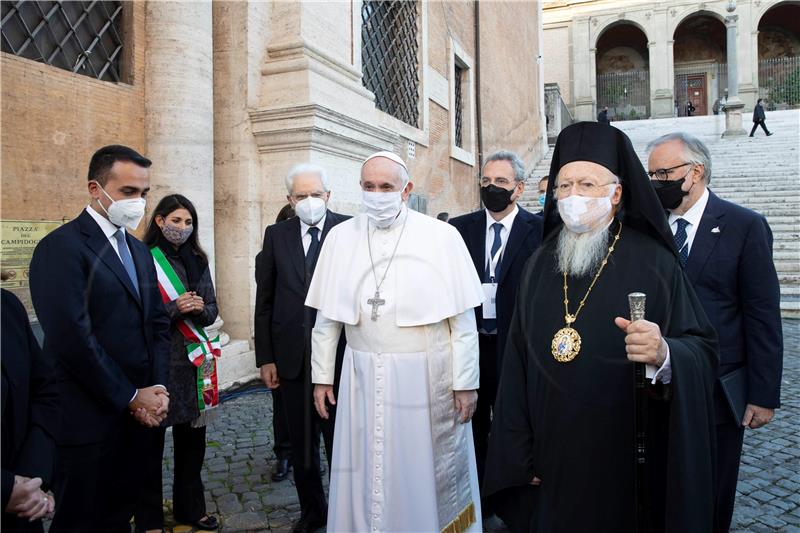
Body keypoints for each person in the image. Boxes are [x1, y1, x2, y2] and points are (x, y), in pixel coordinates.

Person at [484, 122, 719, 532]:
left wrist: (664, 353)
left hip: (625, 461)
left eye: (587, 184)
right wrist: (518, 453)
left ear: (616, 192)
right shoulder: (539, 263)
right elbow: (515, 361)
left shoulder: (655, 261)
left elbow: (701, 348)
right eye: (564, 186)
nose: (574, 196)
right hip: (550, 458)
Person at [308, 151, 484, 532]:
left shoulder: (441, 237)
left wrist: (465, 383)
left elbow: (464, 322)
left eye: (386, 186)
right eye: (368, 187)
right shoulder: (340, 238)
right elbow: (326, 321)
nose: (376, 194)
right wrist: (322, 376)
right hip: (360, 376)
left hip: (423, 380)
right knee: (364, 468)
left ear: (406, 189)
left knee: (414, 470)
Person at [29, 145, 171, 533]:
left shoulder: (140, 251)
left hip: (137, 417)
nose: (138, 202)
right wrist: (129, 395)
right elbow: (72, 337)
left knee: (117, 515)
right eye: (128, 192)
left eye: (144, 192)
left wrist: (155, 386)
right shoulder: (61, 248)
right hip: (85, 418)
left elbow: (156, 324)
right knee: (80, 520)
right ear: (96, 188)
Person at [647, 132, 783, 533]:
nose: (656, 182)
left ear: (696, 172)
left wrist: (762, 394)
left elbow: (762, 314)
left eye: (664, 173)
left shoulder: (745, 226)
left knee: (712, 488)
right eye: (651, 174)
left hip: (718, 390)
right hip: (658, 383)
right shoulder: (650, 229)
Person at [254, 164, 349, 533]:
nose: (309, 202)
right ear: (289, 200)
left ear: (328, 196)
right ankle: (313, 514)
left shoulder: (348, 229)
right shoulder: (276, 235)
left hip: (340, 358)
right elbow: (265, 299)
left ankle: (346, 512)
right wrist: (266, 358)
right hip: (291, 358)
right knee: (302, 444)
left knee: (341, 441)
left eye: (315, 195)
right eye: (300, 196)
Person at [449, 151, 542, 511]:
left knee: (513, 420)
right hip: (473, 344)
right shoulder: (459, 229)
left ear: (518, 188)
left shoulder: (539, 230)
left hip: (515, 346)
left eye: (500, 182)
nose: (491, 188)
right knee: (471, 424)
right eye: (486, 181)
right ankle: (480, 496)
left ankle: (512, 495)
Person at [135, 194, 220, 532]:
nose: (182, 228)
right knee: (149, 447)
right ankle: (149, 517)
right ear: (160, 221)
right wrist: (174, 309)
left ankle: (190, 508)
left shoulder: (198, 259)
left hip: (192, 366)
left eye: (188, 222)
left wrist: (197, 308)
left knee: (192, 445)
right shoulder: (143, 257)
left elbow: (212, 310)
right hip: (157, 364)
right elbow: (137, 313)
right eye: (176, 221)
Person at [1, 287, 58, 532]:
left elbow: (43, 393)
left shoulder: (7, 306)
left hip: (23, 505)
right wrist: (5, 488)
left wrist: (34, 477)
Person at [259, 203, 296, 482]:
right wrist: (266, 356)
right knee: (282, 407)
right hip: (282, 344)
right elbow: (264, 304)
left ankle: (307, 455)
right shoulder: (270, 253)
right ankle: (283, 454)